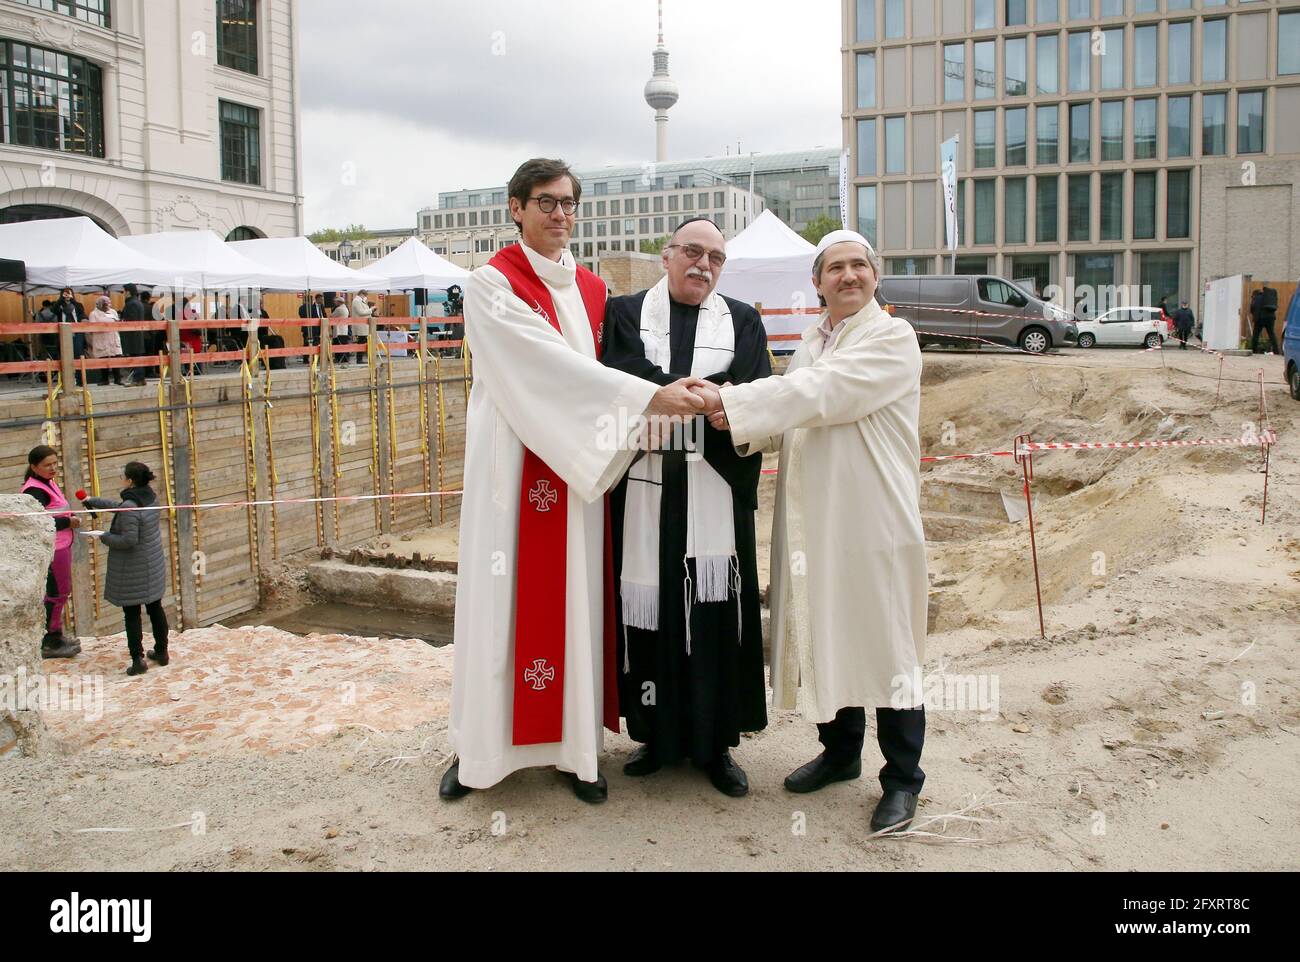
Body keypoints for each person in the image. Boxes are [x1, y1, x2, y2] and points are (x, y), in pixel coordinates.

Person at [441, 157, 707, 804]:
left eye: (568, 203)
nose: (560, 214)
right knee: (498, 605)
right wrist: (648, 399)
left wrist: (658, 395)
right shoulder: (490, 283)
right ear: (515, 208)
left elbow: (601, 370)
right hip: (512, 466)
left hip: (574, 467)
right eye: (545, 202)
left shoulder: (592, 291)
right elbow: (543, 368)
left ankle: (574, 750)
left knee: (574, 603)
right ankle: (479, 751)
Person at [696, 230, 929, 834]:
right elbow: (796, 417)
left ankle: (903, 779)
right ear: (817, 282)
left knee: (886, 640)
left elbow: (825, 394)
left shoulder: (890, 338)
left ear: (875, 277)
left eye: (859, 267)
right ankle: (841, 752)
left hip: (872, 519)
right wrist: (727, 419)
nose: (848, 276)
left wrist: (735, 402)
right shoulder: (813, 340)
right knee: (828, 630)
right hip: (816, 520)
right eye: (836, 269)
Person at [601, 216, 770, 796]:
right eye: (692, 252)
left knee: (714, 612)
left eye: (715, 258)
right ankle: (655, 735)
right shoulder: (624, 313)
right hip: (646, 488)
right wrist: (683, 391)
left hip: (713, 490)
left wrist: (692, 398)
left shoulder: (743, 319)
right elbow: (618, 374)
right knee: (651, 614)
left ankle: (714, 744)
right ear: (667, 255)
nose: (703, 265)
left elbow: (752, 391)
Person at [81, 462, 170, 676]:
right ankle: (162, 652)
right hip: (152, 563)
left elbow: (129, 540)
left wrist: (103, 536)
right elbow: (123, 507)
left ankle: (137, 660)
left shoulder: (131, 504)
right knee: (155, 608)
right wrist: (94, 501)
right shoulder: (148, 496)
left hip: (133, 568)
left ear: (130, 480)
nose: (120, 477)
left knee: (132, 613)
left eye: (122, 475)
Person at [21, 445, 82, 659]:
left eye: (55, 463)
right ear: (34, 467)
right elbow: (37, 522)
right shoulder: (34, 490)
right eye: (47, 465)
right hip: (52, 548)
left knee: (60, 592)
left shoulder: (47, 483)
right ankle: (50, 641)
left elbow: (55, 509)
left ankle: (55, 633)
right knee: (57, 593)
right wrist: (68, 521)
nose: (53, 468)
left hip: (61, 544)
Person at [86, 295, 125, 386]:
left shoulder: (113, 312)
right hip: (101, 339)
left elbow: (117, 323)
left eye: (109, 303)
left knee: (116, 358)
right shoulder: (93, 314)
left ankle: (117, 378)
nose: (108, 305)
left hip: (113, 337)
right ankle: (104, 379)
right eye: (106, 303)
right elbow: (92, 328)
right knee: (103, 359)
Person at [51, 288, 88, 385]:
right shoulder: (59, 305)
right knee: (64, 356)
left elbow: (82, 313)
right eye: (65, 294)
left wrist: (72, 300)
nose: (67, 295)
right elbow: (53, 311)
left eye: (69, 293)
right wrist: (61, 300)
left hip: (76, 332)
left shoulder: (78, 305)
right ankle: (66, 380)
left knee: (78, 355)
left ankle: (80, 380)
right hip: (63, 333)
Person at [119, 283, 148, 385]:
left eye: (124, 292)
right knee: (137, 356)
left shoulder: (131, 304)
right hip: (137, 334)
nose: (123, 294)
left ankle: (138, 379)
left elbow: (131, 320)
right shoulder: (137, 302)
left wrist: (122, 321)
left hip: (132, 335)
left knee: (136, 356)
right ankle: (140, 378)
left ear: (128, 292)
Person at [1249, 287, 1280, 355]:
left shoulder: (1256, 298)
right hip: (1270, 318)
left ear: (1254, 294)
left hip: (1260, 318)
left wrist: (1254, 315)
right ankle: (1276, 351)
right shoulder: (1268, 297)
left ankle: (1254, 351)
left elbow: (1252, 308)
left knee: (1256, 335)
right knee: (1272, 334)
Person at [350, 290, 374, 363]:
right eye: (365, 295)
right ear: (361, 294)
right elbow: (361, 312)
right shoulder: (357, 301)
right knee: (361, 342)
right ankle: (359, 359)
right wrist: (371, 310)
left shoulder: (360, 301)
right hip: (360, 325)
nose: (365, 297)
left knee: (363, 341)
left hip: (363, 325)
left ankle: (360, 359)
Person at [330, 294, 351, 365]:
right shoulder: (345, 308)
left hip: (339, 329)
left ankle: (338, 358)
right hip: (344, 329)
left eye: (336, 302)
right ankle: (345, 358)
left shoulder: (339, 309)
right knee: (344, 343)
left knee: (338, 343)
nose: (335, 303)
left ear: (339, 302)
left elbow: (331, 316)